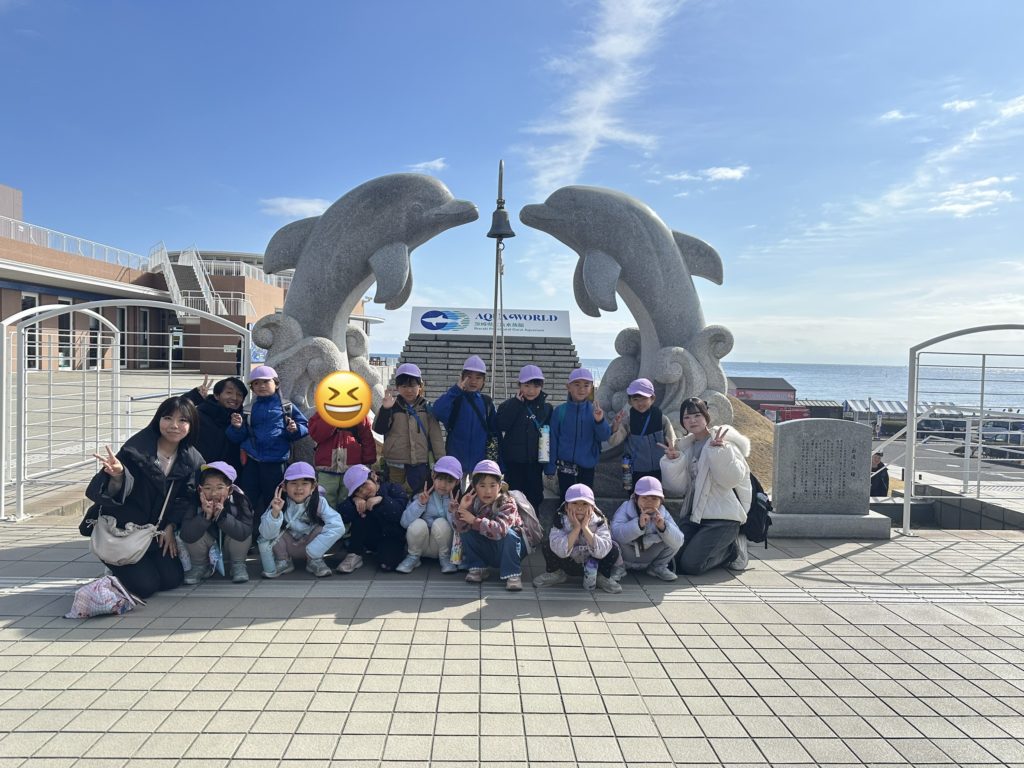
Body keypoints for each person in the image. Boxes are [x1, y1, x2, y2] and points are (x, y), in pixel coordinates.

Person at [84, 396, 204, 598]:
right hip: (122, 529)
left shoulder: (192, 459)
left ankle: (134, 564)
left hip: (153, 531)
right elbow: (110, 490)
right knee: (146, 587)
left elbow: (186, 497)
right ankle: (114, 564)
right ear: (158, 419)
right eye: (168, 418)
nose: (174, 425)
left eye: (182, 420)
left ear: (191, 425)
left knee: (171, 579)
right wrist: (118, 476)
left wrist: (170, 525)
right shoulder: (136, 450)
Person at [661, 397, 752, 575]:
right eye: (687, 417)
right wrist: (673, 461)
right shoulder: (686, 447)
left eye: (697, 415)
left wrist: (719, 452)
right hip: (695, 516)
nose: (692, 420)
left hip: (723, 518)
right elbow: (678, 488)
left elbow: (731, 480)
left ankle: (731, 551)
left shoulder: (725, 443)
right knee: (671, 561)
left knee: (691, 566)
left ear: (706, 416)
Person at [226, 365, 309, 519]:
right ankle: (246, 527)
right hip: (252, 461)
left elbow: (304, 426)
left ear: (276, 384)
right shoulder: (248, 409)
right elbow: (238, 437)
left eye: (265, 382)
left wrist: (294, 429)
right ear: (252, 388)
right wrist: (236, 427)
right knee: (247, 497)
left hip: (277, 462)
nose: (261, 386)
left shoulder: (286, 406)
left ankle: (273, 528)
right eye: (256, 383)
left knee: (275, 498)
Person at [257, 461, 344, 578]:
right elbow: (265, 534)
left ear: (313, 487)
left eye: (304, 483)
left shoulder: (319, 502)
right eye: (293, 483)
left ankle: (315, 561)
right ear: (284, 487)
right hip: (287, 545)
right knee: (272, 527)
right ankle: (283, 561)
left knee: (321, 528)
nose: (299, 488)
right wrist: (275, 513)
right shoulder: (278, 503)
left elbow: (337, 525)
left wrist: (315, 550)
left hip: (311, 545)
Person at [535, 483, 623, 593]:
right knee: (548, 545)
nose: (580, 508)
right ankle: (556, 573)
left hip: (594, 565)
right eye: (574, 503)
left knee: (613, 548)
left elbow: (602, 551)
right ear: (566, 506)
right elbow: (560, 550)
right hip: (569, 563)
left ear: (592, 507)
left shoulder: (600, 522)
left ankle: (602, 577)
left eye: (585, 504)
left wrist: (585, 528)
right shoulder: (560, 521)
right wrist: (576, 528)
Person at [372, 362, 444, 493]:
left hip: (420, 463)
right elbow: (378, 429)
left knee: (418, 494)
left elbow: (436, 437)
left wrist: (441, 461)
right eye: (404, 386)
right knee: (395, 494)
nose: (409, 390)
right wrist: (385, 410)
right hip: (395, 462)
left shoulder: (427, 408)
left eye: (412, 385)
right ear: (397, 387)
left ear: (420, 386)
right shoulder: (391, 406)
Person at [452, 460, 524, 591]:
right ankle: (478, 568)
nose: (488, 491)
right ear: (474, 487)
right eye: (482, 485)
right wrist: (462, 509)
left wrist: (474, 521)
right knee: (466, 530)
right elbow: (458, 528)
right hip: (490, 547)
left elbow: (500, 530)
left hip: (511, 549)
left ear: (500, 486)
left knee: (510, 534)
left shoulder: (508, 502)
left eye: (492, 485)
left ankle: (513, 574)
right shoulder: (473, 502)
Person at [180, 461, 254, 584]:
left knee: (242, 531)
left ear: (230, 489)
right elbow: (186, 534)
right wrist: (205, 517)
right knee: (194, 529)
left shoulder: (240, 500)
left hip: (231, 549)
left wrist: (222, 517)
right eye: (208, 488)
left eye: (220, 488)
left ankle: (238, 565)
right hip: (207, 549)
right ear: (200, 489)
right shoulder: (195, 501)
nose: (214, 493)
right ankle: (199, 566)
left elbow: (245, 532)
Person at [545, 368, 611, 500]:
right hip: (564, 467)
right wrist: (550, 467)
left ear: (591, 388)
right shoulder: (560, 411)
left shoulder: (594, 411)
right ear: (568, 387)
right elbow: (552, 440)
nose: (581, 389)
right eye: (577, 384)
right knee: (566, 500)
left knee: (585, 501)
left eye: (586, 385)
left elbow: (604, 436)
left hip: (587, 467)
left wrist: (599, 421)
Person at [496, 364, 553, 511]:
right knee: (511, 500)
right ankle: (512, 525)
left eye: (536, 386)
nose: (531, 390)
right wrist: (515, 404)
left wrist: (549, 466)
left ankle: (533, 525)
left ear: (541, 386)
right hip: (513, 464)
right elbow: (501, 425)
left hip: (535, 464)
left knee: (534, 500)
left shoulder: (547, 408)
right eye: (526, 385)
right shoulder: (508, 405)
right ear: (519, 385)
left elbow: (551, 437)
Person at [335, 464, 409, 574]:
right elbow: (341, 516)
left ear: (374, 476)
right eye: (358, 491)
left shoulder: (393, 488)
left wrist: (382, 501)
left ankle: (382, 553)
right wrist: (354, 501)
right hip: (369, 538)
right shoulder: (357, 498)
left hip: (391, 536)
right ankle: (354, 553)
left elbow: (401, 514)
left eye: (364, 485)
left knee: (387, 565)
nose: (363, 492)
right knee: (359, 516)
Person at [433, 355, 496, 480]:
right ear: (462, 378)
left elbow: (495, 431)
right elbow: (437, 411)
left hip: (480, 462)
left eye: (478, 378)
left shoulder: (487, 403)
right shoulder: (455, 399)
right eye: (469, 377)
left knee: (478, 491)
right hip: (455, 461)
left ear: (484, 381)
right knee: (455, 491)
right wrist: (455, 390)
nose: (473, 381)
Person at [396, 455, 462, 574]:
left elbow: (459, 531)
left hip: (442, 548)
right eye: (440, 479)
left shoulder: (457, 501)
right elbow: (404, 523)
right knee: (418, 524)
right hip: (420, 546)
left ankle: (445, 559)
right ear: (433, 475)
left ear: (457, 482)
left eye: (450, 481)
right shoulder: (421, 495)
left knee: (441, 523)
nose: (444, 485)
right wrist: (420, 504)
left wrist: (452, 512)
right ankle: (413, 557)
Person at [610, 476, 684, 581]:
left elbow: (679, 541)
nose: (649, 502)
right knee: (611, 539)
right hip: (626, 555)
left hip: (650, 556)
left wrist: (663, 527)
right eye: (644, 498)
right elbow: (616, 533)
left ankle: (657, 567)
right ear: (636, 498)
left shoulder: (663, 513)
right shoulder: (626, 508)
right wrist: (638, 525)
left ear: (661, 501)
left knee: (672, 539)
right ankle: (618, 567)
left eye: (654, 499)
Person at [606, 378, 676, 489]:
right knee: (635, 497)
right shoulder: (628, 421)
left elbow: (672, 440)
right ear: (630, 401)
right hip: (636, 470)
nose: (640, 403)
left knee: (656, 496)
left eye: (644, 399)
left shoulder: (661, 419)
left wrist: (672, 451)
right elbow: (613, 441)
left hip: (659, 469)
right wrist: (615, 426)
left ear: (652, 399)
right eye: (636, 399)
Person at [308, 410, 376, 510]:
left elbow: (367, 437)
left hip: (352, 470)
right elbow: (316, 434)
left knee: (348, 501)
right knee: (325, 500)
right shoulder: (323, 412)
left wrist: (368, 460)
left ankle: (345, 519)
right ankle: (326, 519)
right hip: (327, 468)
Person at [185, 374, 248, 475]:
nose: (234, 397)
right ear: (216, 395)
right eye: (229, 392)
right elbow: (173, 411)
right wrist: (195, 396)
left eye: (239, 395)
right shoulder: (199, 414)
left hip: (229, 478)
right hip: (199, 474)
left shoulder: (243, 420)